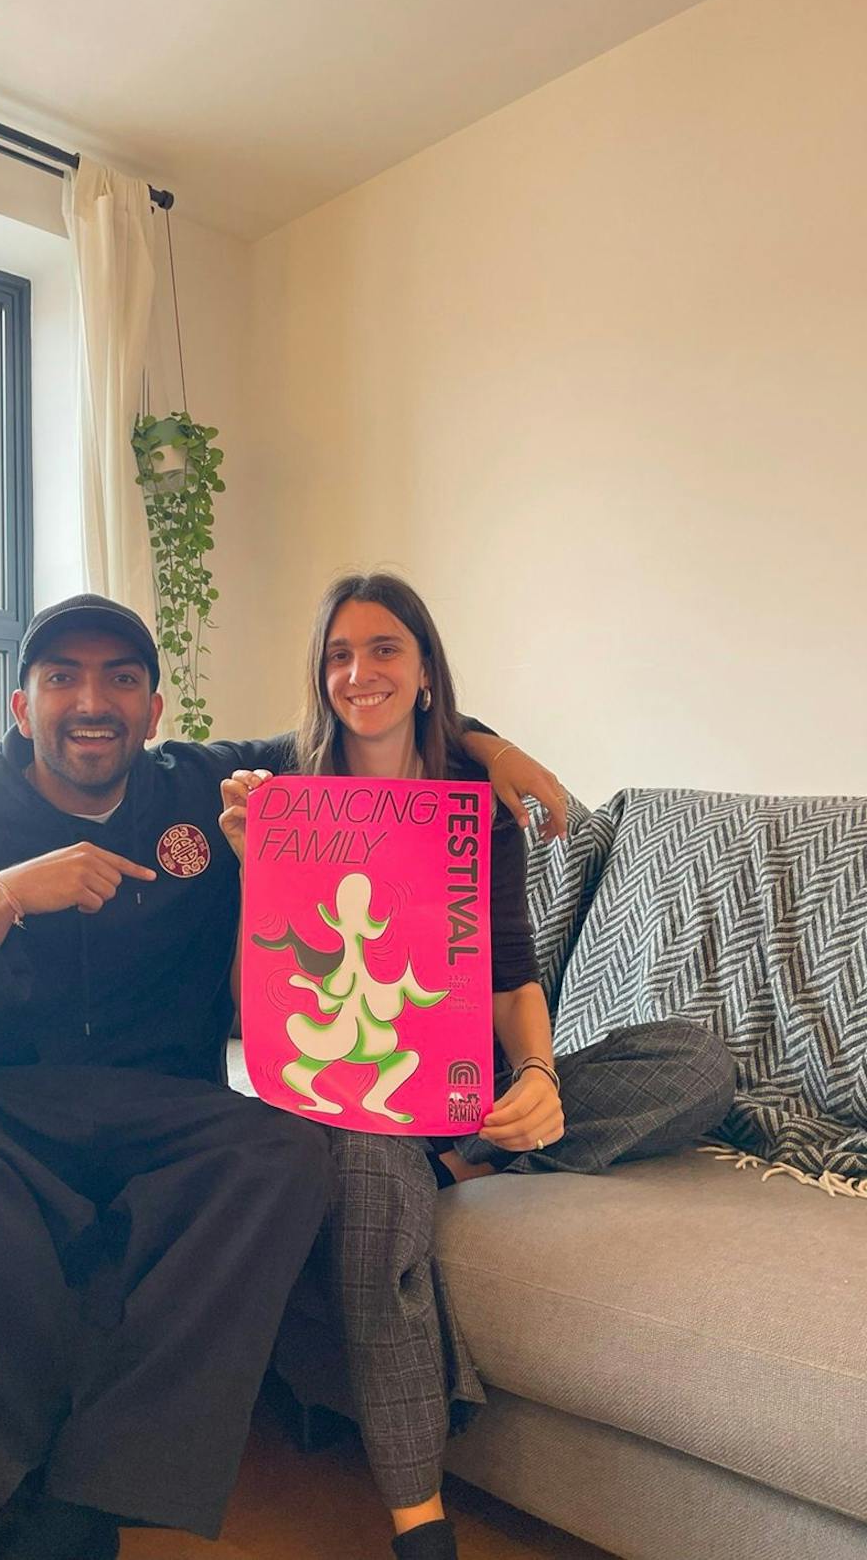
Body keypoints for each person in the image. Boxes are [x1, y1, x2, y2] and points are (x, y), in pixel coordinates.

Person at [0, 591, 566, 1560]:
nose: (90, 701)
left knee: (287, 1153)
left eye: (119, 679)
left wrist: (490, 750)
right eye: (62, 678)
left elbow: (359, 714)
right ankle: (12, 1510)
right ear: (22, 706)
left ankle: (98, 1486)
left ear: (153, 709)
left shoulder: (201, 787)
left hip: (165, 1114)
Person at [218, 572, 737, 1560]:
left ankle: (469, 1158)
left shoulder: (472, 804)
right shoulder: (292, 796)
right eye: (338, 654)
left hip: (464, 1087)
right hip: (357, 1092)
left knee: (700, 1061)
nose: (358, 672)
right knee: (375, 1194)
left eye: (384, 649)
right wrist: (260, 873)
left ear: (425, 672)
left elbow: (510, 973)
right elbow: (260, 1008)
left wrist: (538, 1076)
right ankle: (421, 1524)